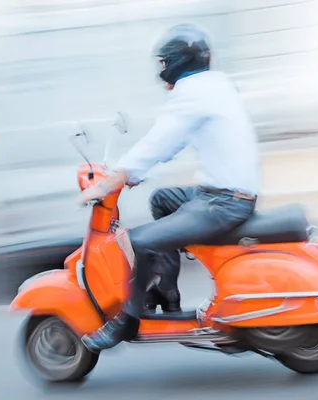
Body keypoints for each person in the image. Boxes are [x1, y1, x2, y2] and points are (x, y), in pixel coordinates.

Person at [79, 23, 261, 351]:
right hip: (222, 193)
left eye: (164, 63)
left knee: (141, 241)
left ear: (178, 61)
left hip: (222, 202)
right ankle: (167, 291)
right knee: (163, 200)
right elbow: (173, 142)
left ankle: (126, 321)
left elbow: (160, 142)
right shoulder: (213, 85)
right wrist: (132, 175)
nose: (162, 70)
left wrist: (112, 181)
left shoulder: (194, 92)